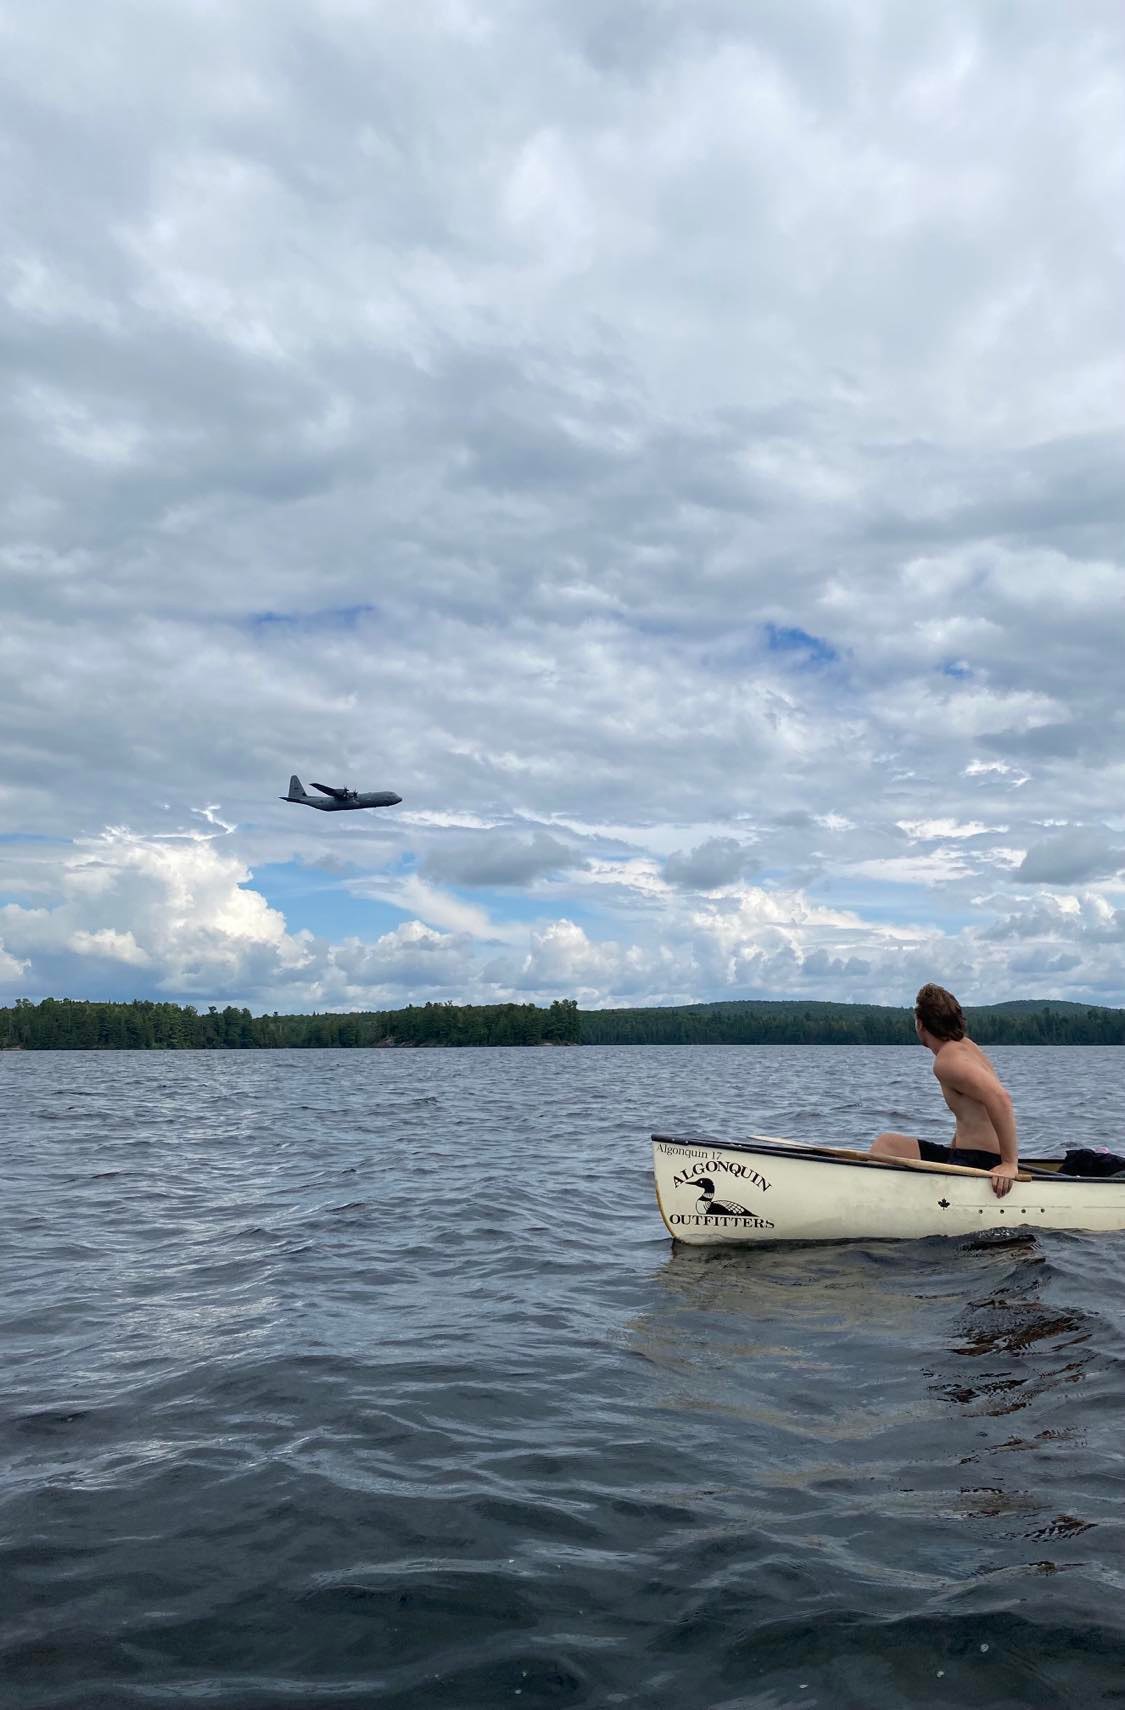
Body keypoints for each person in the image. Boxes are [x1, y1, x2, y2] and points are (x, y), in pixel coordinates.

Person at [871, 984, 1019, 1198]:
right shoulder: (966, 1046)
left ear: (920, 1024)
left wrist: (1009, 1164)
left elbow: (1000, 1098)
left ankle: (877, 1203)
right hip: (967, 1153)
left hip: (980, 1161)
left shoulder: (947, 1061)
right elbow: (972, 1112)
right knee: (887, 1145)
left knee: (884, 1149)